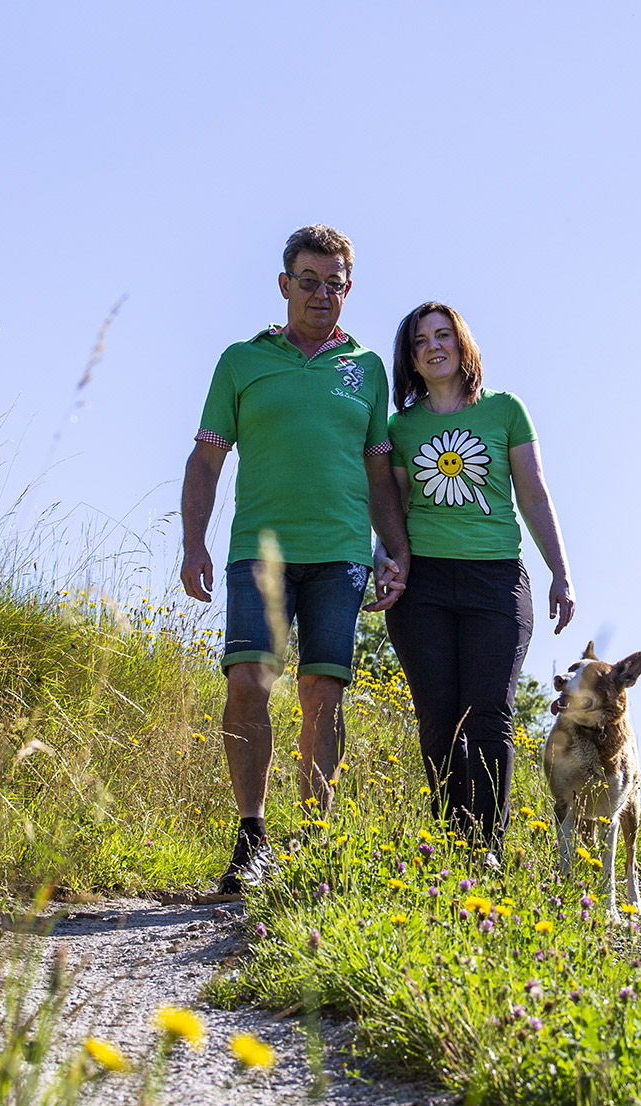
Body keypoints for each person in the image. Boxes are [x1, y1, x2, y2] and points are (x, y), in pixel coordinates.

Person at [180, 225, 410, 894]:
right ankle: (252, 837)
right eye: (308, 281)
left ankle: (315, 847)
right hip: (260, 551)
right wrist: (193, 541)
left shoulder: (366, 369)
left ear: (348, 289)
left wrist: (395, 552)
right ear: (285, 285)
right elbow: (205, 458)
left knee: (323, 694)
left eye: (334, 284)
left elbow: (378, 473)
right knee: (249, 682)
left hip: (341, 556)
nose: (321, 294)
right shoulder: (241, 362)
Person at [381, 302, 574, 855]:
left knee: (489, 712)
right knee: (440, 719)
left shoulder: (505, 411)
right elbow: (391, 510)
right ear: (410, 358)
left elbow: (534, 495)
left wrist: (560, 571)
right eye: (421, 341)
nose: (433, 346)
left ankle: (487, 850)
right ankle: (453, 847)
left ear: (462, 345)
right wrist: (386, 565)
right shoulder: (400, 428)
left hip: (497, 581)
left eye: (444, 335)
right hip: (423, 588)